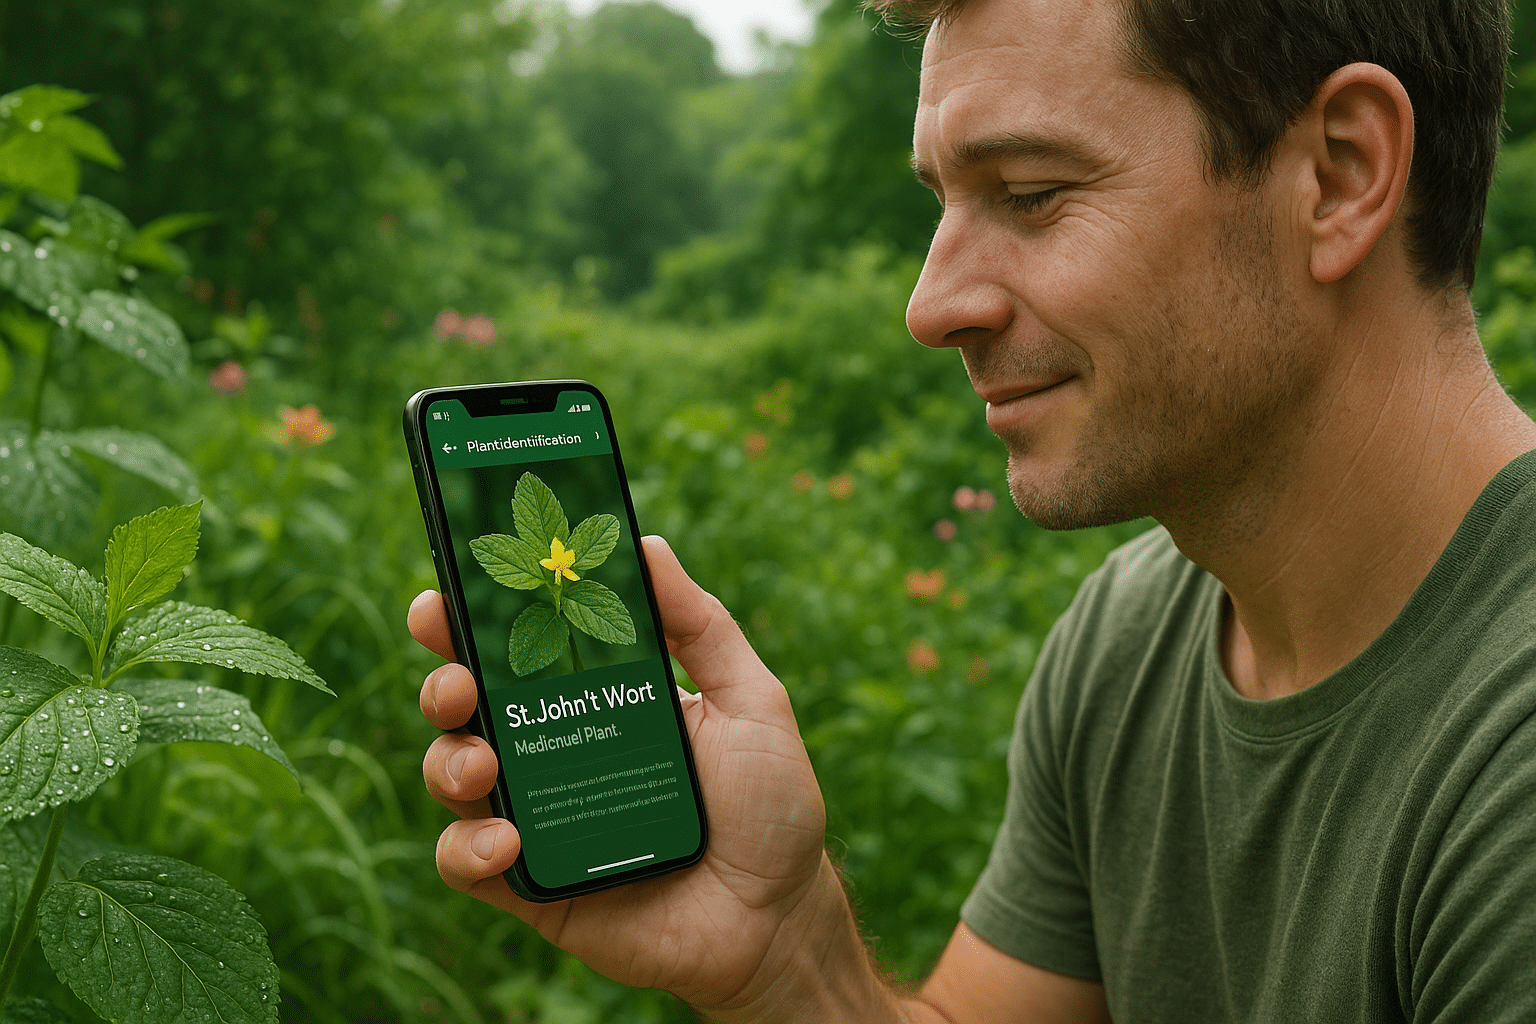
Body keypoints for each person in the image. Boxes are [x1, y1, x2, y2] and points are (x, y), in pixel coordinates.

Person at [409, 0, 1536, 1018]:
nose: (931, 304)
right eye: (945, 203)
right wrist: (789, 964)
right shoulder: (1132, 639)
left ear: (1339, 174)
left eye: (1033, 194)